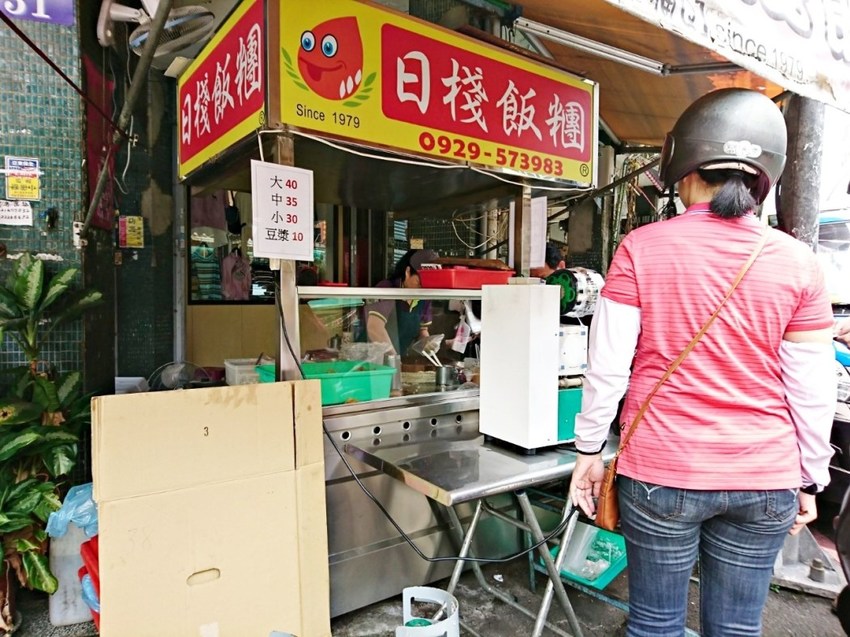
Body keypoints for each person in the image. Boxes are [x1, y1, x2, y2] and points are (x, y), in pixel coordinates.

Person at [568, 88, 837, 637]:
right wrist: (811, 478)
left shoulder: (640, 248)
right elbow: (812, 387)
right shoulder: (800, 264)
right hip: (765, 478)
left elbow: (608, 367)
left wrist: (589, 450)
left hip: (661, 473)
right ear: (766, 178)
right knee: (736, 629)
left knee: (655, 624)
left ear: (684, 168)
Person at [365, 249, 438, 356]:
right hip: (372, 361)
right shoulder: (387, 288)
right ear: (407, 272)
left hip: (397, 360)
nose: (422, 288)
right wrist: (394, 359)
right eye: (419, 282)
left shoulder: (424, 296)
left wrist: (427, 343)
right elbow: (374, 328)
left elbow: (422, 330)